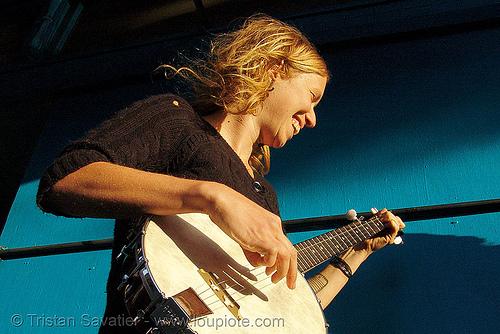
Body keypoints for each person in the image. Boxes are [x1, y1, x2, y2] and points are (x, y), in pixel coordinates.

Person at [36, 14, 405, 333]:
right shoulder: (177, 120)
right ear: (273, 69)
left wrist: (354, 254)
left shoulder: (264, 197)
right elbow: (64, 180)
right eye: (311, 97)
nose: (312, 119)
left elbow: (280, 314)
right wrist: (214, 196)